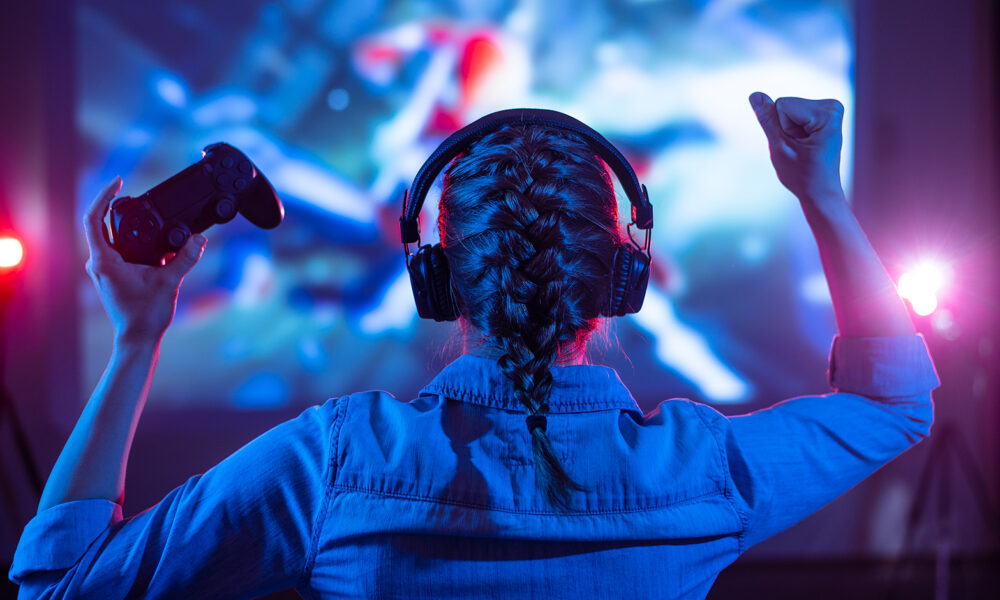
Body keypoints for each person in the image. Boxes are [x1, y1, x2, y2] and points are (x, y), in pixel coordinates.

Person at [9, 93, 939, 599]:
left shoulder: (339, 461)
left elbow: (61, 592)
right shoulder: (705, 474)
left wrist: (136, 340)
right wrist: (820, 191)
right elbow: (897, 400)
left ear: (437, 279)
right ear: (624, 280)